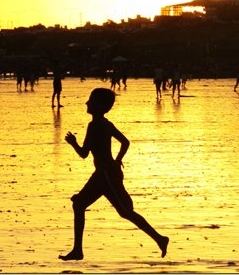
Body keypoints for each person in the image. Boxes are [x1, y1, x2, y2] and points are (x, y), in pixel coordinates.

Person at [59, 88, 169, 261]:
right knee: (82, 205)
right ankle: (77, 250)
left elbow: (84, 154)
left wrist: (73, 143)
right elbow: (125, 142)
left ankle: (160, 239)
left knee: (125, 211)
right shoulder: (106, 124)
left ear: (100, 106)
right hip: (104, 173)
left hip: (106, 175)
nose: (87, 103)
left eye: (91, 101)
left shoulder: (95, 125)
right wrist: (117, 160)